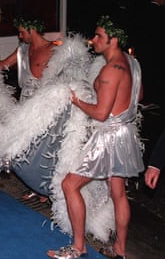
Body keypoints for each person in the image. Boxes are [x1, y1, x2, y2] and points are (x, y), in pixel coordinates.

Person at [48, 15, 144, 259]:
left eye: (99, 35)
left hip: (109, 136)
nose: (93, 40)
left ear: (113, 40)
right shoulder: (132, 62)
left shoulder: (111, 69)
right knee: (118, 192)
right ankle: (120, 248)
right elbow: (139, 95)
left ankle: (78, 247)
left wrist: (77, 100)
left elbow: (101, 114)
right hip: (124, 133)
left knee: (69, 184)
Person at [0, 17, 58, 203]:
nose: (20, 36)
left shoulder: (53, 50)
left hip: (44, 106)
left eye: (22, 32)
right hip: (25, 105)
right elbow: (4, 63)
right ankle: (34, 186)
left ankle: (45, 190)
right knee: (24, 149)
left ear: (32, 29)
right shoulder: (23, 49)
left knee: (43, 150)